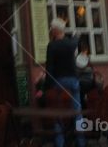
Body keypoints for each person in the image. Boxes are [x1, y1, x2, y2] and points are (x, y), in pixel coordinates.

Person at [45, 19, 85, 147]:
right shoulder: (70, 44)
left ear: (55, 31)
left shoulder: (51, 46)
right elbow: (75, 40)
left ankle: (60, 143)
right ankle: (81, 142)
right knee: (77, 113)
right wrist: (75, 36)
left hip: (58, 83)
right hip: (73, 81)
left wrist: (47, 86)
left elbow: (49, 68)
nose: (51, 31)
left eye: (51, 29)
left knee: (58, 113)